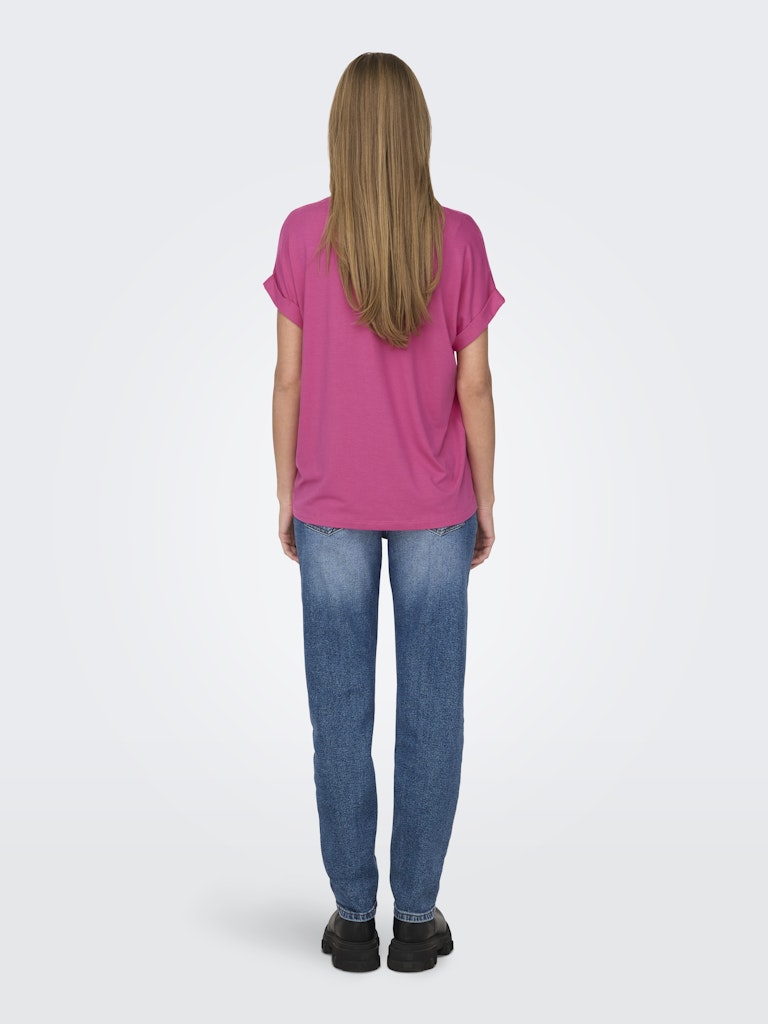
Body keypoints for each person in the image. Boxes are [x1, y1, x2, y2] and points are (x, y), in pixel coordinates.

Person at [264, 52, 504, 973]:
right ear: (417, 133)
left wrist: (285, 490)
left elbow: (288, 377)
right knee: (432, 712)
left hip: (329, 503)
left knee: (340, 712)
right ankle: (417, 920)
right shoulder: (460, 239)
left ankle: (353, 920)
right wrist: (487, 497)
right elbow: (475, 385)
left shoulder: (302, 234)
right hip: (437, 506)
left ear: (341, 134)